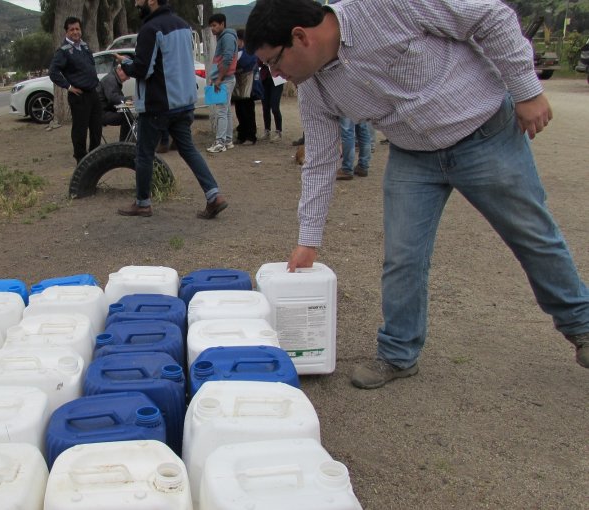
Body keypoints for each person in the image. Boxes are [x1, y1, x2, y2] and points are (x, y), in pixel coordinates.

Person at [245, 0, 589, 386]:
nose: (274, 73)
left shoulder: (386, 8)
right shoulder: (315, 90)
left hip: (483, 133)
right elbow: (321, 162)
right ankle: (398, 353)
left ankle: (582, 325)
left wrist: (526, 91)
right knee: (403, 258)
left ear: (300, 37)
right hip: (414, 156)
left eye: (274, 61)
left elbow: (492, 16)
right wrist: (308, 240)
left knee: (531, 235)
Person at [116, 0, 227, 220]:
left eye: (139, 0)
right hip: (184, 102)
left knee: (144, 154)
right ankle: (214, 195)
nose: (136, 3)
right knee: (188, 150)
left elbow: (143, 69)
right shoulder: (183, 25)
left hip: (158, 104)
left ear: (152, 1)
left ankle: (143, 203)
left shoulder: (150, 29)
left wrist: (126, 64)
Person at [48, 17, 102, 163]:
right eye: (72, 29)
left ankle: (95, 157)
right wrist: (69, 87)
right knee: (80, 131)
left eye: (77, 29)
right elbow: (53, 72)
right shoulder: (63, 51)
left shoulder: (84, 47)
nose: (75, 32)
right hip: (79, 96)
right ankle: (81, 160)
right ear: (66, 32)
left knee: (97, 128)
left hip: (93, 94)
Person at [205, 13, 237, 154]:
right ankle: (228, 139)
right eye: (211, 26)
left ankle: (220, 142)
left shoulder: (227, 37)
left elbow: (227, 58)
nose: (212, 28)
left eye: (214, 25)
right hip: (225, 78)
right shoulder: (223, 38)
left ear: (222, 24)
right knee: (226, 111)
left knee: (221, 111)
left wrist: (218, 79)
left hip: (225, 79)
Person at [232, 29, 259, 145]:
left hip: (248, 84)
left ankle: (251, 135)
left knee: (248, 110)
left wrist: (236, 66)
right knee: (239, 110)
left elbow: (249, 62)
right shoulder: (236, 51)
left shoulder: (249, 51)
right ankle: (241, 134)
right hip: (238, 85)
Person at [97, 65, 132, 142]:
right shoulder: (110, 79)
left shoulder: (113, 78)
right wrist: (128, 100)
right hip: (101, 113)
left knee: (128, 115)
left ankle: (126, 142)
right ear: (119, 70)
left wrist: (128, 99)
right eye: (128, 74)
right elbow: (113, 98)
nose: (128, 78)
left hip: (105, 110)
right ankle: (124, 144)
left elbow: (117, 98)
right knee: (127, 118)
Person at [258, 56, 284, 142]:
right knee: (265, 106)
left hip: (277, 79)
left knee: (275, 106)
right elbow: (258, 61)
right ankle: (267, 130)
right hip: (265, 79)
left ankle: (278, 131)